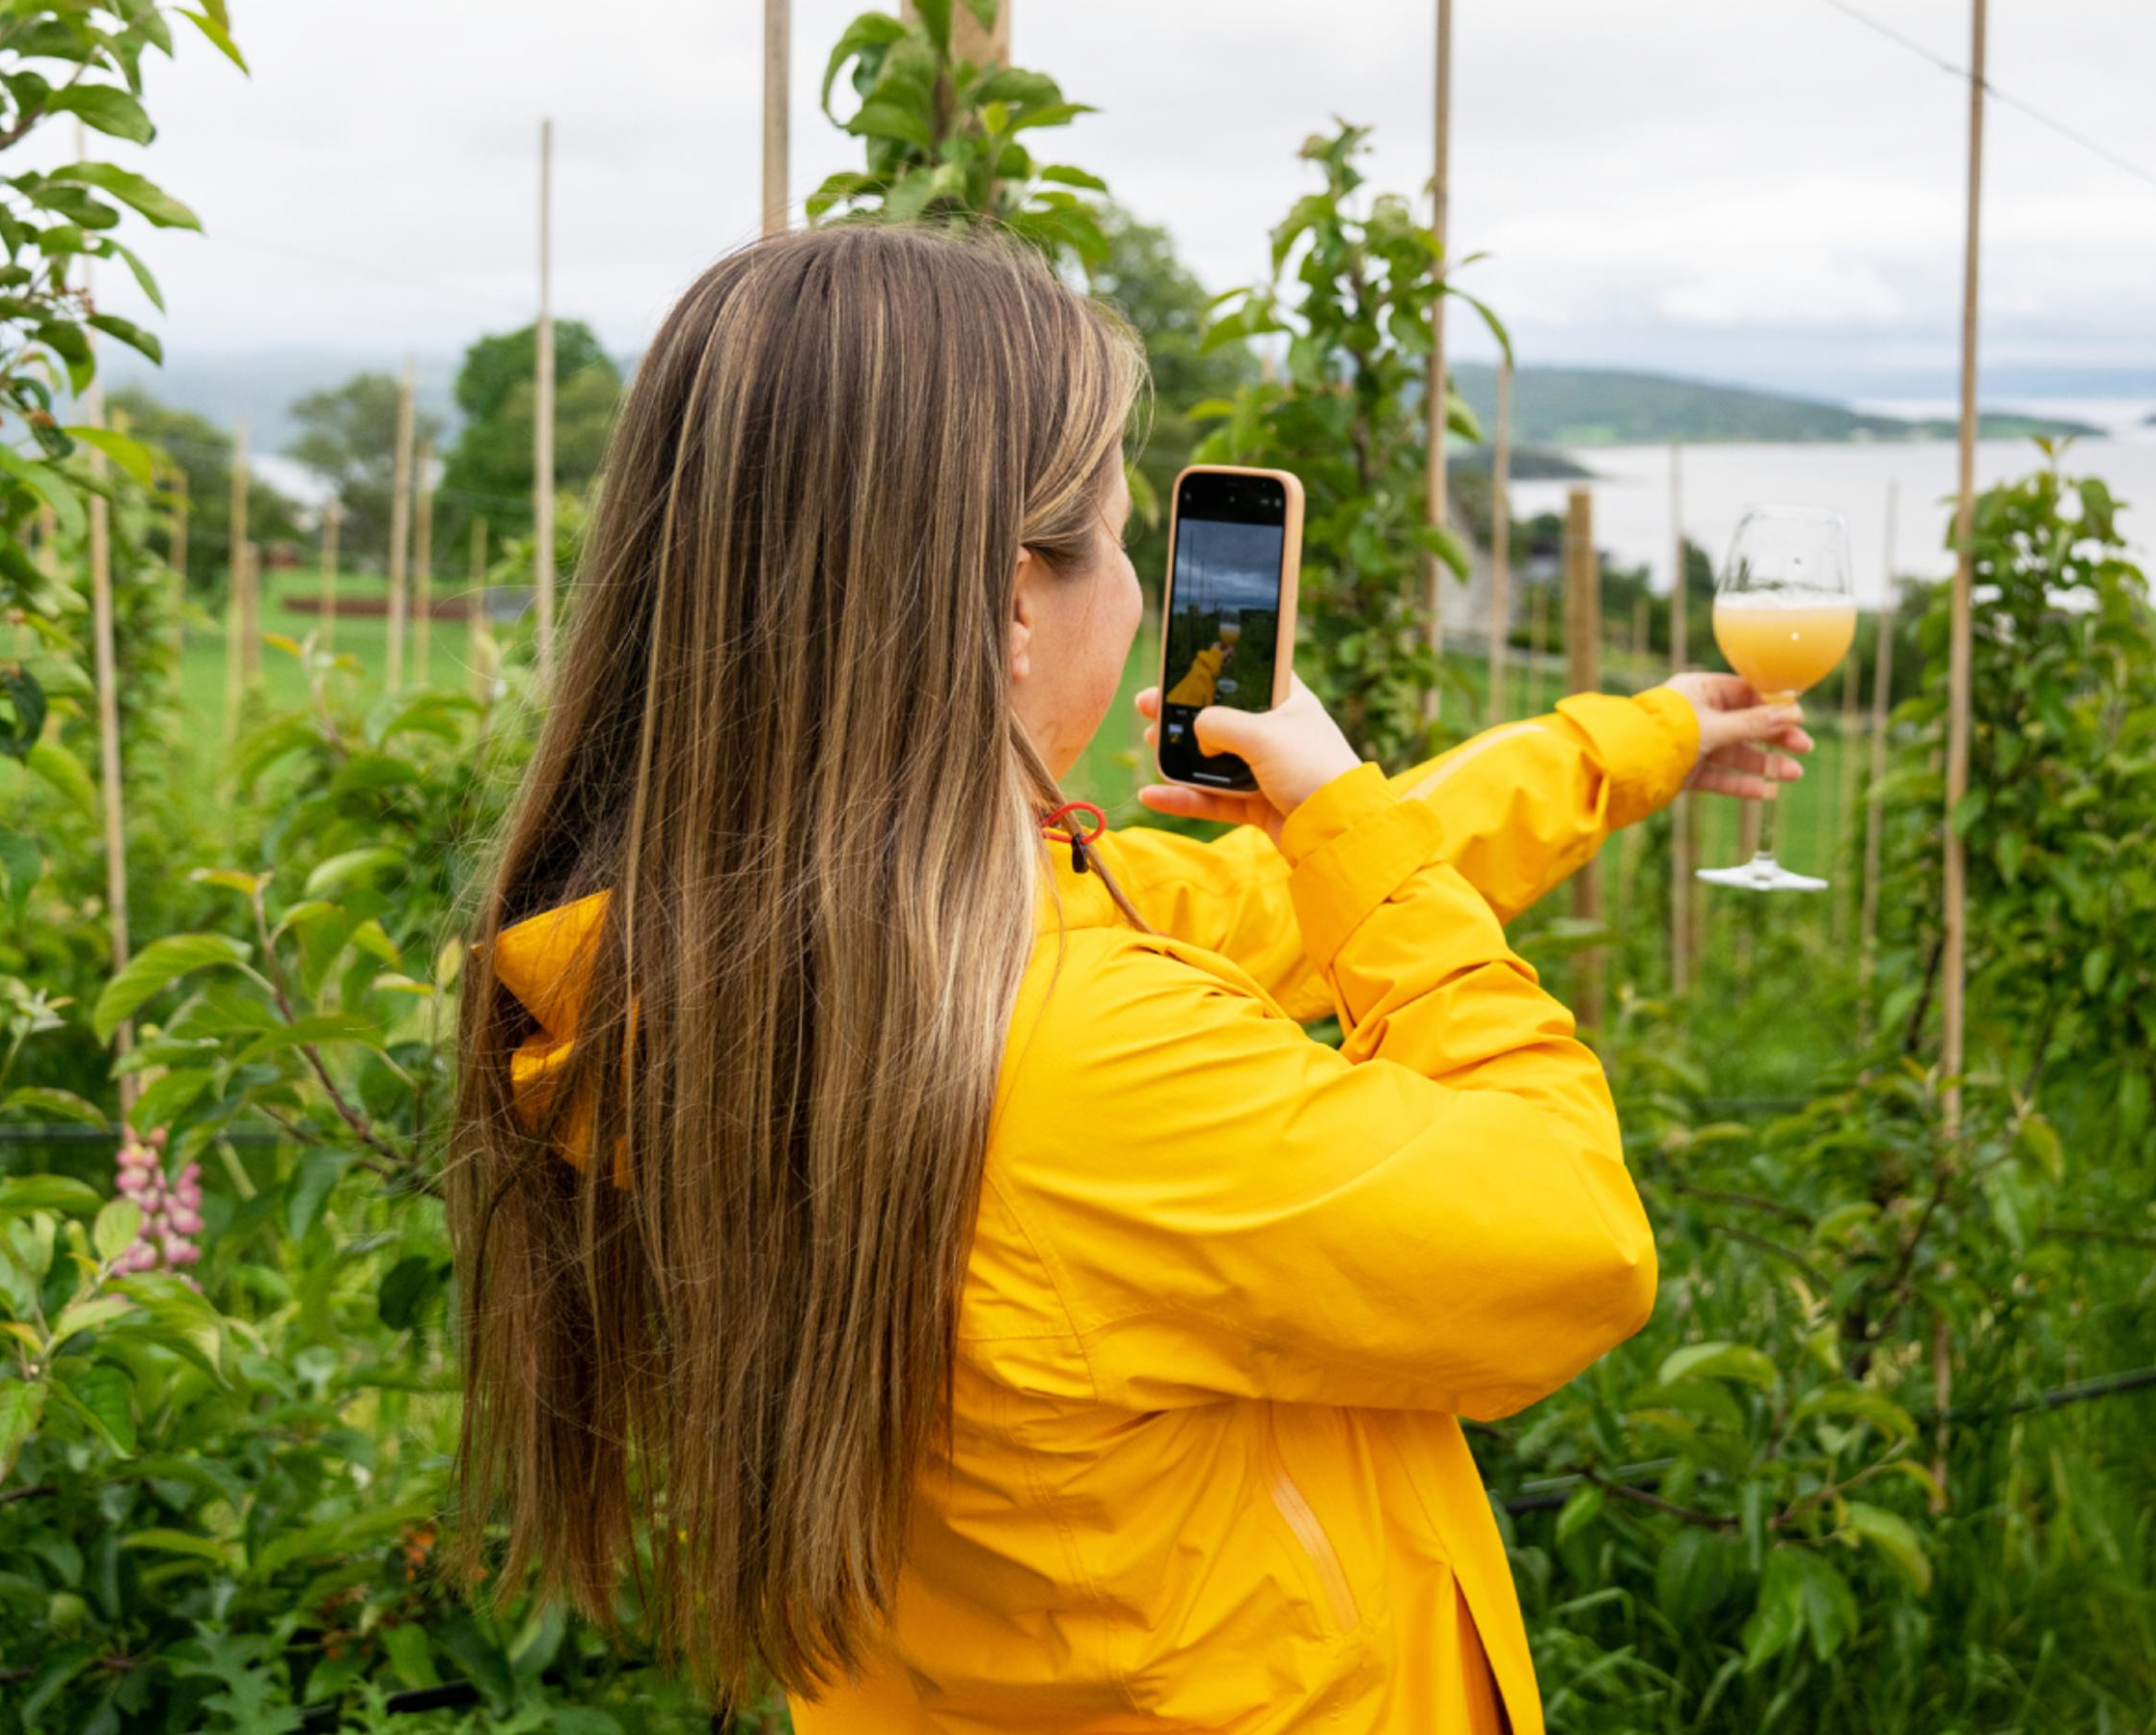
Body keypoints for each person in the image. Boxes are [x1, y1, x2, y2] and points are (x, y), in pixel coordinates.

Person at [451, 224, 1809, 1733]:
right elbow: (1573, 1238)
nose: (1142, 584)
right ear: (1016, 599)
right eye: (1114, 532)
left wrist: (1623, 746)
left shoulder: (742, 966)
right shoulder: (1080, 1066)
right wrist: (1351, 827)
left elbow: (1255, 901)